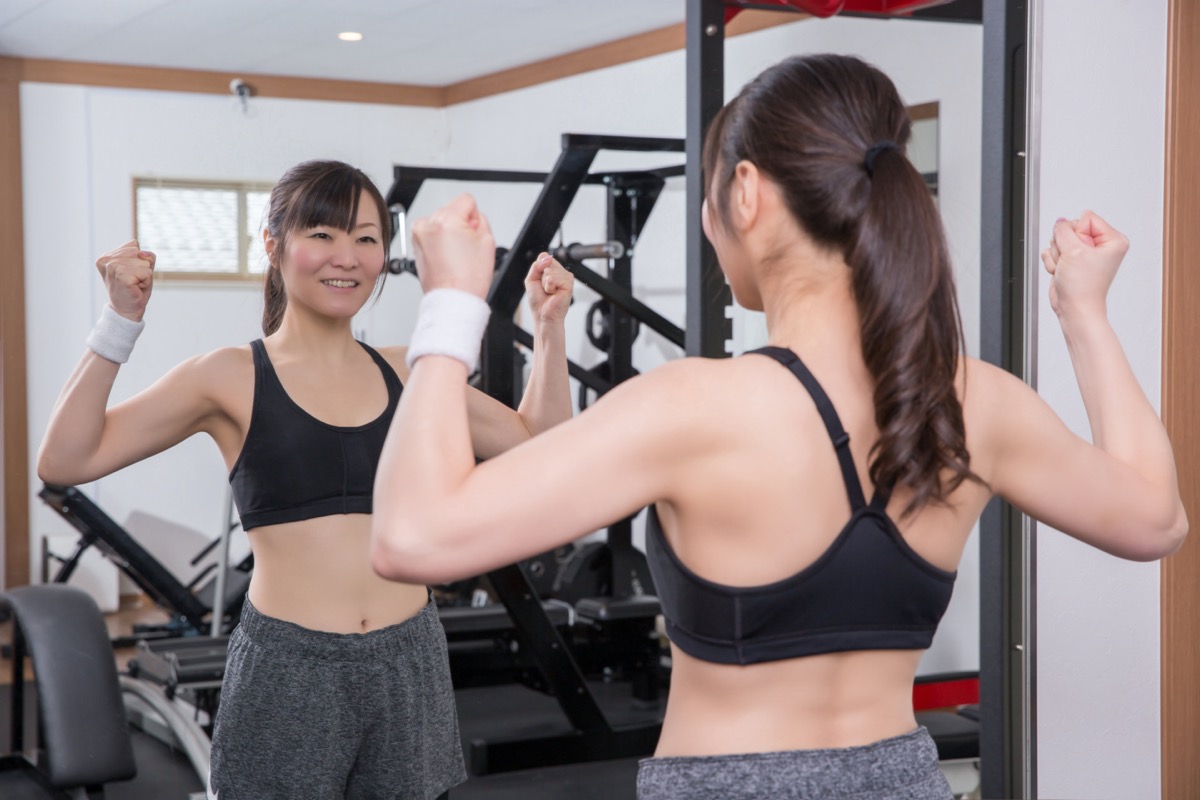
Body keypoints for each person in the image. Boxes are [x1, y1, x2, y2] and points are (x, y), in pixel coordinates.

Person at [368, 54, 1187, 800]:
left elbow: (411, 539)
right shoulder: (978, 402)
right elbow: (1157, 519)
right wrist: (1083, 311)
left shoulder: (692, 406)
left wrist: (449, 306)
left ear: (749, 193)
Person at [36, 159, 575, 800]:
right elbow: (66, 460)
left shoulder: (415, 370)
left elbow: (541, 448)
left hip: (410, 661)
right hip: (289, 668)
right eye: (322, 233)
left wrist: (549, 327)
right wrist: (120, 320)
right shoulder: (228, 375)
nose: (345, 257)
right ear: (274, 244)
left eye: (366, 239)